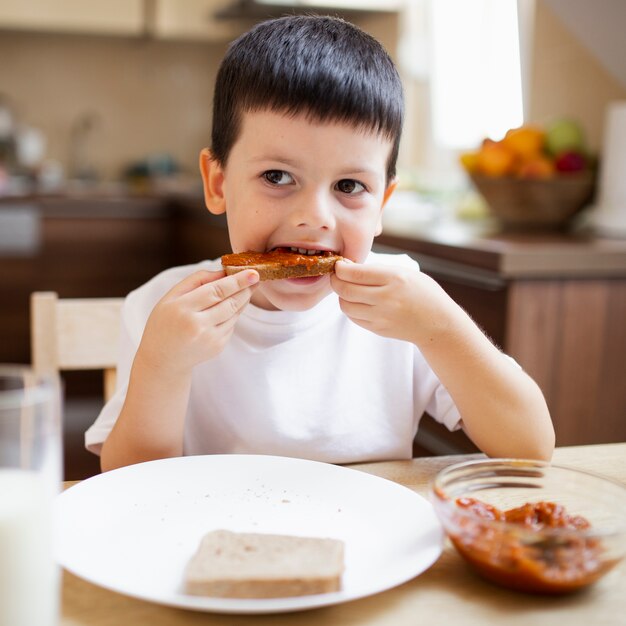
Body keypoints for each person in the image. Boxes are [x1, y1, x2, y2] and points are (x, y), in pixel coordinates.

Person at [86, 15, 554, 471]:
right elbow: (129, 482)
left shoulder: (407, 304)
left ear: (382, 206)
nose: (315, 217)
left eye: (349, 186)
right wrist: (162, 365)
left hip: (368, 544)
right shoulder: (163, 309)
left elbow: (530, 448)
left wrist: (443, 331)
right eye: (277, 176)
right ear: (218, 183)